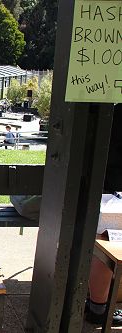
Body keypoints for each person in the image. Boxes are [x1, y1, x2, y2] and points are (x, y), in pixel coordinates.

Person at [85, 104, 122, 326]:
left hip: (103, 188)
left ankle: (96, 303)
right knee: (106, 248)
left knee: (101, 247)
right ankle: (98, 306)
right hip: (113, 192)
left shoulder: (110, 111)